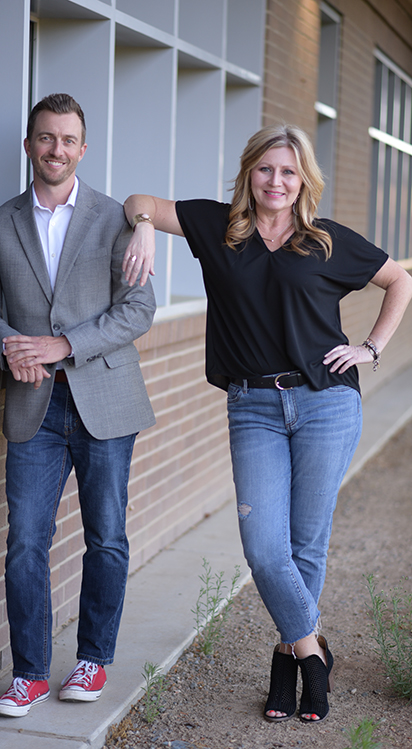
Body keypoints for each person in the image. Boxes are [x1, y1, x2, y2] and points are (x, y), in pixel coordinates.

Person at [122, 124, 412, 724]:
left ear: (303, 179)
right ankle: (311, 652)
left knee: (305, 544)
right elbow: (139, 201)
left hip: (326, 401)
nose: (276, 181)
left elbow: (399, 280)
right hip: (253, 405)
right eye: (265, 169)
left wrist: (371, 348)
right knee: (263, 547)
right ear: (248, 172)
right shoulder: (217, 226)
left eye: (288, 171)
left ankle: (286, 663)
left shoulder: (325, 240)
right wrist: (145, 226)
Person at [0, 93, 156, 717]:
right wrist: (8, 344)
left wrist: (64, 344)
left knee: (107, 538)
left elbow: (139, 309)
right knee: (25, 542)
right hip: (33, 405)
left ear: (83, 149)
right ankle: (30, 674)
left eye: (68, 140)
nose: (56, 149)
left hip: (105, 400)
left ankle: (93, 660)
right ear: (29, 145)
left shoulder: (115, 218)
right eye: (46, 138)